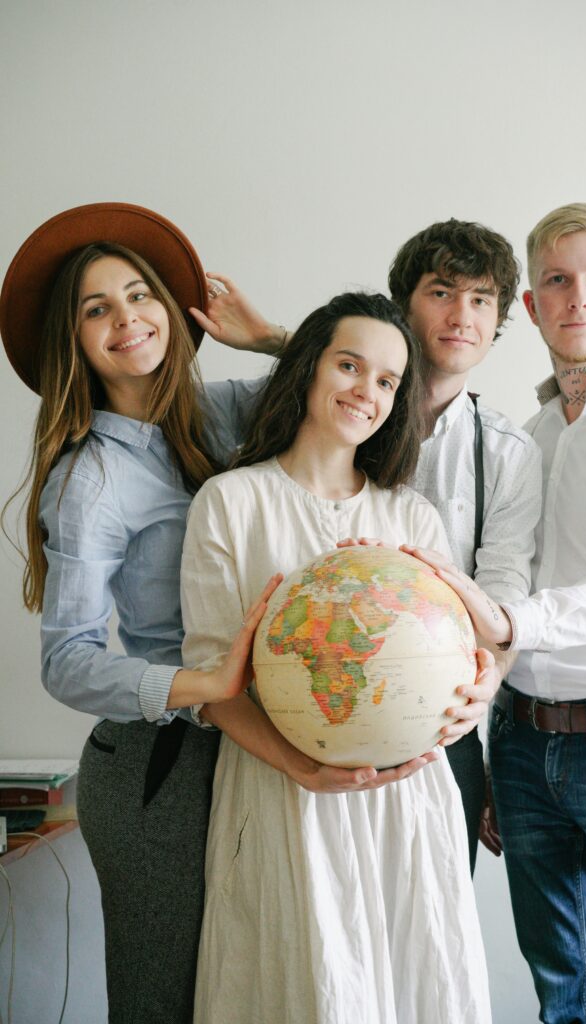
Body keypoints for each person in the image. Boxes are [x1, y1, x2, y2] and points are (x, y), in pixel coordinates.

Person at [0, 202, 280, 1024]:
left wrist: (264, 336)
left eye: (138, 294)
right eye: (97, 309)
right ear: (76, 340)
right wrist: (202, 682)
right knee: (167, 1005)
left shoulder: (226, 409)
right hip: (160, 774)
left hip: (251, 751)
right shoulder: (90, 482)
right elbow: (68, 659)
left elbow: (359, 381)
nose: (127, 317)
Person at [180, 292, 494, 1024]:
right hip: (284, 795)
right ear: (307, 369)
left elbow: (464, 649)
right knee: (301, 988)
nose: (366, 390)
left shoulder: (410, 514)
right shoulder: (230, 503)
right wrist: (302, 769)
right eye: (348, 365)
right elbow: (210, 683)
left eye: (387, 381)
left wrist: (479, 689)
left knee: (413, 983)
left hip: (407, 804)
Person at [408, 203, 586, 1024]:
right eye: (557, 281)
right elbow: (387, 381)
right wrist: (497, 740)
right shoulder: (522, 434)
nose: (579, 298)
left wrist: (511, 623)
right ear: (527, 306)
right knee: (562, 996)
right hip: (524, 745)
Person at [202, 220, 542, 870]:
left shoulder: (504, 453)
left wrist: (482, 693)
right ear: (403, 302)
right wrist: (282, 341)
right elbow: (331, 365)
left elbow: (501, 612)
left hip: (434, 729)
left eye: (480, 300)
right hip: (301, 714)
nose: (461, 316)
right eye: (441, 291)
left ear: (498, 319)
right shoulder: (314, 423)